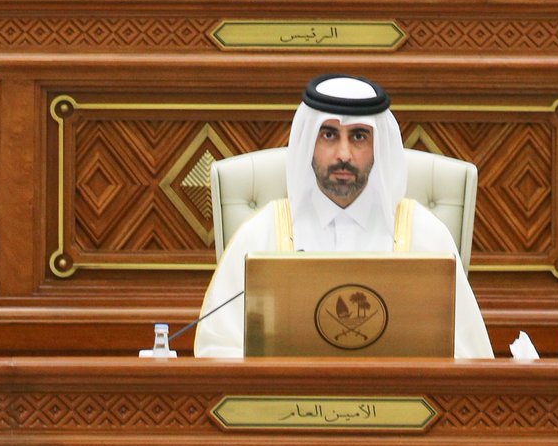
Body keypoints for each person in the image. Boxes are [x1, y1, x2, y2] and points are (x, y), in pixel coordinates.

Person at [195, 75, 493, 359]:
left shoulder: (425, 237)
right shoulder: (261, 236)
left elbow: (469, 357)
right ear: (308, 144)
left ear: (378, 147)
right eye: (329, 135)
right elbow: (217, 350)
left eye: (359, 136)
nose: (344, 155)